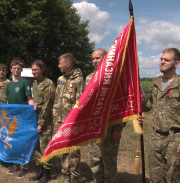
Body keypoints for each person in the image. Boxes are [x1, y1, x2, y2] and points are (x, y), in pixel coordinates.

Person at [141, 48, 180, 183]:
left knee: (172, 177)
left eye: (166, 60)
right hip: (156, 137)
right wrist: (136, 105)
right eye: (161, 59)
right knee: (155, 177)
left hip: (175, 138)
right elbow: (147, 105)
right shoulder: (155, 83)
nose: (162, 62)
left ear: (176, 63)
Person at [85, 48, 126, 183]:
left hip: (111, 128)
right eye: (93, 59)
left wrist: (119, 129)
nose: (95, 61)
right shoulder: (90, 78)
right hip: (94, 128)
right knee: (95, 161)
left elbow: (123, 106)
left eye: (97, 58)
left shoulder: (116, 77)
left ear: (106, 58)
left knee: (109, 163)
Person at [53, 53, 85, 183]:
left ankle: (75, 176)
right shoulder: (60, 79)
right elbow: (56, 100)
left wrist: (75, 121)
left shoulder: (78, 80)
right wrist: (56, 119)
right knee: (63, 148)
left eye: (60, 63)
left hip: (72, 121)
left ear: (68, 64)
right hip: (60, 121)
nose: (58, 66)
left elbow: (80, 102)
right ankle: (66, 174)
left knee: (73, 150)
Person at [6, 59, 34, 179]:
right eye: (14, 68)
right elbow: (8, 101)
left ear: (21, 69)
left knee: (22, 142)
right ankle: (15, 164)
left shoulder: (25, 83)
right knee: (13, 141)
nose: (16, 70)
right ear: (11, 70)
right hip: (12, 118)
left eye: (18, 68)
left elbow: (29, 99)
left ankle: (24, 167)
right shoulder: (9, 84)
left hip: (22, 117)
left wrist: (33, 108)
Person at [29, 60, 55, 183]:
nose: (33, 72)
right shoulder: (35, 82)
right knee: (37, 146)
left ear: (42, 69)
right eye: (32, 69)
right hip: (35, 119)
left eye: (36, 69)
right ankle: (39, 171)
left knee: (45, 147)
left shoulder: (48, 83)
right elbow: (36, 101)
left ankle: (46, 173)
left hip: (45, 121)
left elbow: (47, 105)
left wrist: (41, 123)